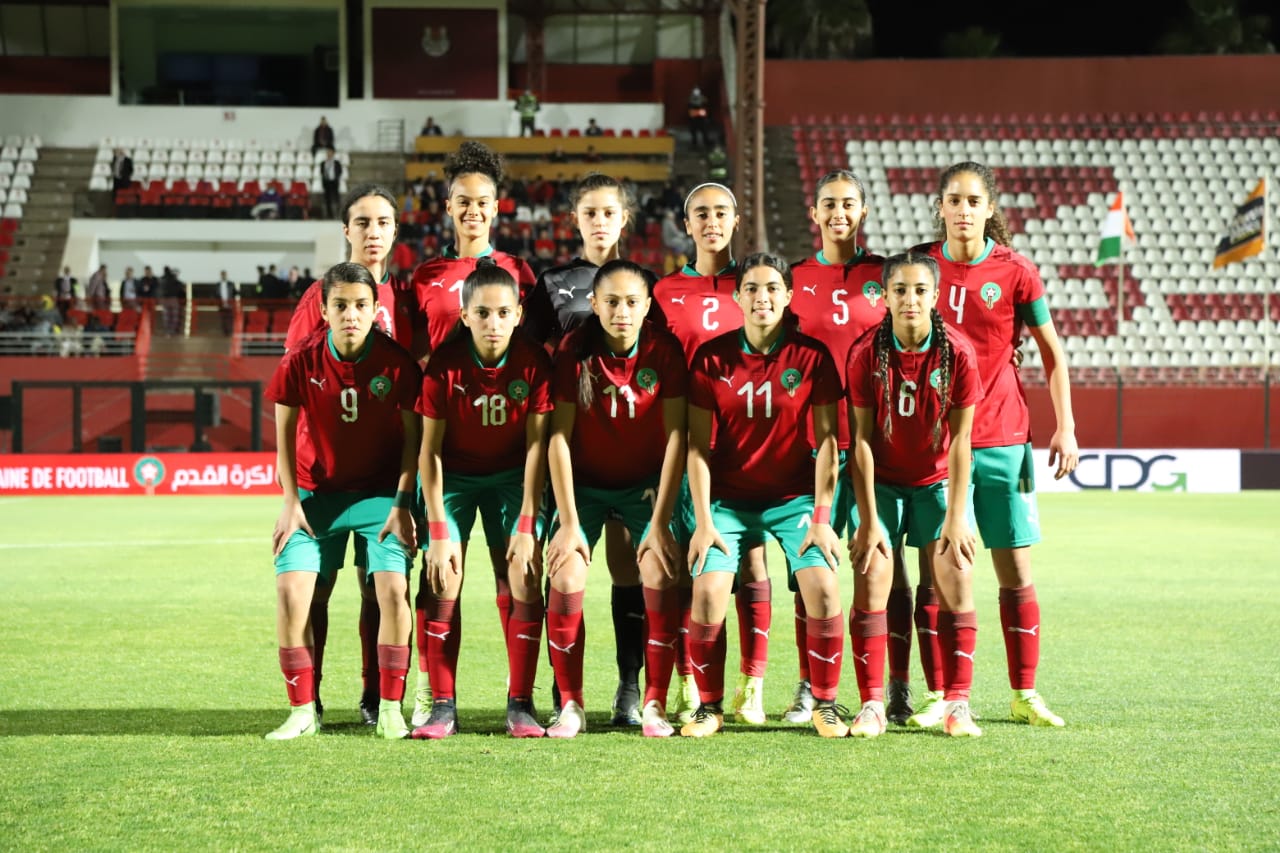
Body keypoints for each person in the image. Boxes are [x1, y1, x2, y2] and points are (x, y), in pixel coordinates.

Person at [916, 160, 1078, 729]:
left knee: (1014, 568)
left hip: (1003, 437)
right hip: (932, 445)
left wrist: (1067, 426)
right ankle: (940, 694)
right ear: (940, 207)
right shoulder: (919, 269)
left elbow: (1053, 355)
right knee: (938, 573)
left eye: (973, 201)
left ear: (989, 208)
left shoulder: (1017, 272)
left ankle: (1024, 693)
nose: (963, 211)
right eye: (953, 200)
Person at [682, 252, 847, 738]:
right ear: (737, 297)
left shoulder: (811, 357)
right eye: (752, 288)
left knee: (823, 586)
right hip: (726, 502)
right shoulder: (710, 357)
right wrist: (704, 521)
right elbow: (697, 447)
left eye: (773, 288)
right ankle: (708, 707)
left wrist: (821, 518)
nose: (762, 297)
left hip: (793, 499)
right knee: (709, 593)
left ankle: (826, 703)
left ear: (789, 296)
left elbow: (828, 445)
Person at [520, 173, 662, 728]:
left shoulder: (648, 282)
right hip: (573, 453)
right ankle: (566, 696)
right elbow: (529, 357)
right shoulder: (554, 282)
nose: (600, 221)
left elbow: (657, 365)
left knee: (629, 569)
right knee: (566, 569)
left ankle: (630, 691)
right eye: (590, 213)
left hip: (631, 454)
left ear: (624, 219)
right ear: (575, 221)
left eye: (609, 213)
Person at [263, 261, 422, 740]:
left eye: (360, 305)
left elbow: (414, 443)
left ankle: (391, 707)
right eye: (340, 306)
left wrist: (401, 503)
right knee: (294, 592)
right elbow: (284, 439)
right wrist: (290, 502)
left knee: (392, 590)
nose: (351, 314)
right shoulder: (300, 361)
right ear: (324, 310)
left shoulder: (397, 364)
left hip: (380, 496)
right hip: (316, 495)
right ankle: (303, 709)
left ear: (376, 309)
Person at [542, 259, 687, 737]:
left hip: (642, 484)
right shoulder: (573, 351)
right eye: (611, 302)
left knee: (658, 570)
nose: (621, 311)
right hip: (582, 485)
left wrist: (662, 520)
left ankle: (654, 703)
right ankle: (571, 705)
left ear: (647, 306)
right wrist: (566, 522)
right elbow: (558, 437)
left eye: (631, 302)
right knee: (565, 575)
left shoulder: (663, 350)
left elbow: (675, 438)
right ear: (594, 305)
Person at [651, 181, 776, 727]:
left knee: (750, 561)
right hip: (682, 445)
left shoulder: (756, 284)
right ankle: (688, 679)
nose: (711, 222)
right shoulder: (665, 291)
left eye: (721, 212)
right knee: (684, 563)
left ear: (736, 220)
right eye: (701, 213)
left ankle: (753, 684)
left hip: (745, 444)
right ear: (686, 222)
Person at [412, 259, 553, 739]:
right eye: (483, 313)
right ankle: (443, 707)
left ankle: (521, 704)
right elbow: (428, 451)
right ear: (464, 315)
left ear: (518, 315)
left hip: (513, 480)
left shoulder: (533, 362)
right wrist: (435, 530)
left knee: (524, 576)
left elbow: (538, 445)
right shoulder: (444, 369)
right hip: (453, 481)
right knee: (444, 576)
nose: (493, 323)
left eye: (503, 313)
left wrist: (528, 522)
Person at [846, 250, 984, 738]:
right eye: (899, 290)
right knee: (872, 581)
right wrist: (868, 518)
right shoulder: (865, 353)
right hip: (880, 485)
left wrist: (957, 515)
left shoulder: (959, 354)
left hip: (936, 483)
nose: (909, 299)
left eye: (919, 290)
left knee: (958, 580)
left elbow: (963, 439)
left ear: (936, 295)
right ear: (884, 296)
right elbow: (860, 440)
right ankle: (871, 704)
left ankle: (958, 703)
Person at [783, 169, 892, 724]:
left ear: (864, 211)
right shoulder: (794, 278)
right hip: (809, 445)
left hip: (879, 444)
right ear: (815, 214)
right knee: (812, 573)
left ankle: (887, 689)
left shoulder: (885, 276)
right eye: (829, 204)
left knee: (880, 567)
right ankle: (809, 685)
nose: (838, 214)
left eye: (849, 204)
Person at [408, 140, 535, 362]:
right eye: (464, 202)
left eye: (482, 203)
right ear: (449, 207)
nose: (473, 211)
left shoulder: (517, 271)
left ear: (495, 208)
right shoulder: (425, 275)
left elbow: (531, 345)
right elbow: (417, 351)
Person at [320, 149, 343, 220]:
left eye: (330, 153)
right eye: (328, 153)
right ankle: (329, 215)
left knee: (336, 198)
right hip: (326, 182)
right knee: (327, 199)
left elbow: (340, 171)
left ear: (333, 154)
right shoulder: (323, 163)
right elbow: (322, 172)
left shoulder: (336, 163)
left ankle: (338, 213)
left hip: (334, 182)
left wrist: (336, 177)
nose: (329, 154)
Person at [216, 270, 237, 335]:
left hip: (230, 303)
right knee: (223, 318)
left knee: (230, 318)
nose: (223, 276)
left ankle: (230, 331)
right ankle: (225, 331)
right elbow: (216, 294)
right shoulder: (218, 284)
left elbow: (235, 292)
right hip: (221, 303)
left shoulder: (231, 284)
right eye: (222, 275)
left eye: (224, 274)